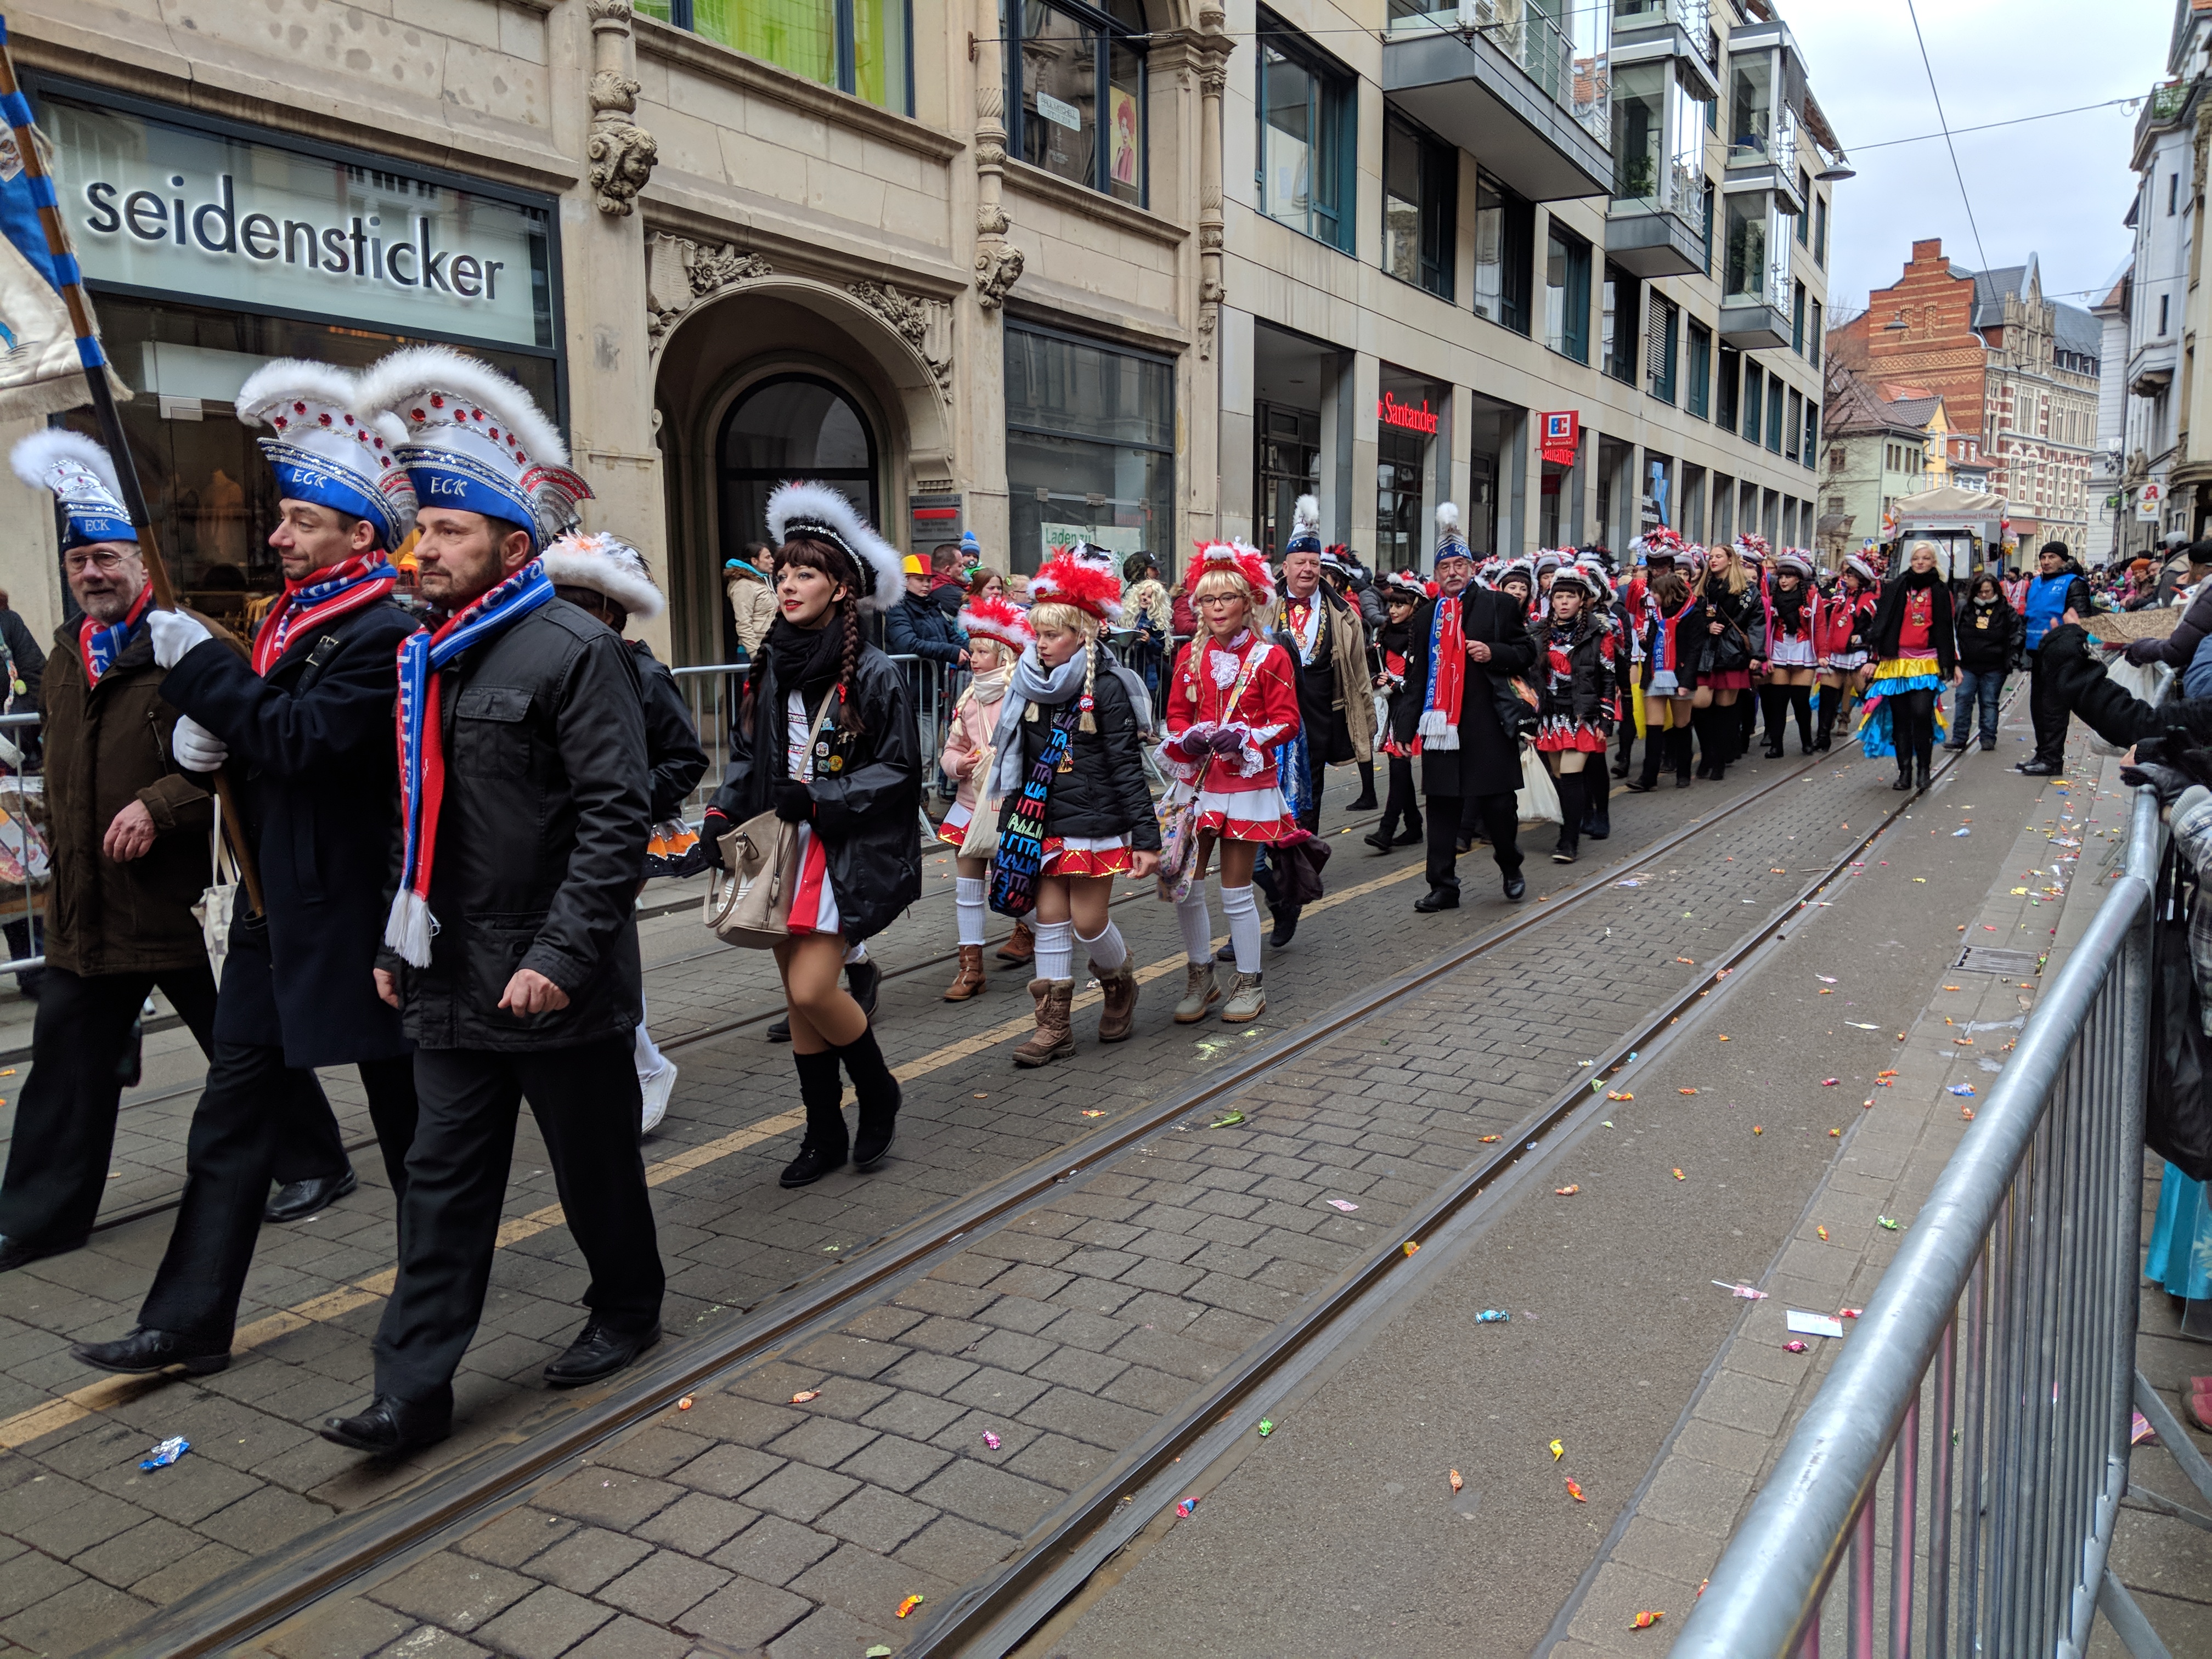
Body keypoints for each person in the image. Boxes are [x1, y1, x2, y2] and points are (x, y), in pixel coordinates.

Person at [320, 348, 664, 1455]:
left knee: (593, 1170)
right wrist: (396, 937)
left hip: (551, 980)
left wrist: (559, 957)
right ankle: (411, 1391)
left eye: (449, 532)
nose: (422, 548)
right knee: (440, 1187)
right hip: (447, 977)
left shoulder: (573, 649)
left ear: (513, 547)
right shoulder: (425, 657)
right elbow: (412, 812)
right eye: (420, 529)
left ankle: (628, 1308)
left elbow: (615, 818)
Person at [68, 359, 427, 1376]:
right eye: (280, 518)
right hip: (278, 917)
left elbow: (305, 740)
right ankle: (186, 1321)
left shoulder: (385, 631)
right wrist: (208, 730)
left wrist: (206, 675)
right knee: (229, 1117)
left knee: (410, 1123)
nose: (276, 536)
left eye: (302, 521)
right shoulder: (287, 620)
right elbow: (266, 734)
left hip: (362, 916)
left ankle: (435, 1296)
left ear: (362, 538)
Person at [0, 432, 348, 1274]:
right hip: (88, 908)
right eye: (79, 561)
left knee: (243, 1046)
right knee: (64, 1064)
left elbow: (248, 761)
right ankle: (40, 1217)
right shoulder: (64, 653)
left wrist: (160, 805)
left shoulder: (191, 644)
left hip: (183, 905)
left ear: (139, 562)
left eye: (107, 558)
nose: (92, 574)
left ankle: (315, 1161)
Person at [702, 482, 919, 1189]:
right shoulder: (772, 662)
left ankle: (879, 1089)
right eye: (784, 573)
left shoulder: (875, 672)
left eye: (805, 574)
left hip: (841, 848)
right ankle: (823, 1133)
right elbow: (748, 755)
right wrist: (720, 813)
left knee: (814, 987)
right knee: (797, 1001)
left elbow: (900, 770)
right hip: (781, 850)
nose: (788, 585)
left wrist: (821, 797)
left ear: (841, 588)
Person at [543, 529, 706, 1133]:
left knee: (602, 947)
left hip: (617, 836)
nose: (562, 616)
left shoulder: (642, 671)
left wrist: (620, 801)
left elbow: (684, 760)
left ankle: (645, 1066)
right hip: (556, 836)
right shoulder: (548, 663)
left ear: (610, 611)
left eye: (579, 604)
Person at [985, 546, 1159, 1061]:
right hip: (1042, 823)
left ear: (1081, 634)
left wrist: (1146, 839)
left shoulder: (1108, 689)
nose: (1039, 644)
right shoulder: (1026, 684)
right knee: (1051, 919)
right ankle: (1053, 1026)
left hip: (1094, 823)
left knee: (1087, 922)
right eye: (1037, 634)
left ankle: (1119, 981)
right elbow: (1019, 765)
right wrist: (1012, 825)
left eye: (1051, 635)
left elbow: (1127, 768)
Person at [1160, 539, 1302, 1020]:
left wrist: (1247, 736)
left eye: (1226, 598)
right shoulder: (1189, 656)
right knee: (1186, 887)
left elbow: (1288, 722)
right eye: (1208, 599)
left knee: (1236, 891)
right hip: (1199, 785)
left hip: (1245, 785)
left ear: (1248, 602)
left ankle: (1249, 982)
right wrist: (1190, 736)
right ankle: (1201, 977)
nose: (1217, 607)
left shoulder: (1271, 657)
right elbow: (1176, 716)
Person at [1392, 504, 1537, 908]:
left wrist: (1494, 653)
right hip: (1440, 726)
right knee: (1441, 809)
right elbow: (1417, 676)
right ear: (1436, 574)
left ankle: (1511, 866)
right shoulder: (1426, 617)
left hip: (1487, 725)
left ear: (1471, 569)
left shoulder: (1498, 605)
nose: (1453, 572)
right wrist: (1404, 727)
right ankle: (1443, 887)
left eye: (1460, 565)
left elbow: (1528, 652)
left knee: (1499, 808)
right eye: (1445, 567)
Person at [1266, 498, 1367, 944]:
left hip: (1317, 730)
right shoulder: (1262, 607)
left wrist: (1364, 732)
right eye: (1300, 562)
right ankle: (1275, 895)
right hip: (1267, 733)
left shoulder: (1344, 615)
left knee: (1303, 821)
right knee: (1259, 824)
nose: (1307, 569)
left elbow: (1359, 680)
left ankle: (1290, 903)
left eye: (1314, 563)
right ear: (1285, 567)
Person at [938, 593, 1028, 1000]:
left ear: (1004, 654)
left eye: (982, 652)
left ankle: (1037, 931)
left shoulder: (1022, 695)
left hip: (1011, 806)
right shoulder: (969, 698)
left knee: (1016, 880)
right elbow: (951, 749)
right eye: (972, 651)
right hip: (970, 804)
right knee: (968, 885)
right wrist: (959, 764)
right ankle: (970, 967)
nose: (973, 659)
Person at [1531, 560, 1615, 865]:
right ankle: (1576, 821)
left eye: (1570, 596)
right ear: (1551, 600)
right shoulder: (1536, 633)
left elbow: (1608, 677)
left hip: (1583, 714)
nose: (1564, 602)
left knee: (1571, 775)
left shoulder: (1599, 633)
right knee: (1558, 775)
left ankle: (1569, 841)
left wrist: (1606, 718)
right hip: (1550, 715)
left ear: (1583, 600)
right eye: (1559, 596)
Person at [1860, 541, 1958, 792]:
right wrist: (1873, 660)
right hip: (1896, 663)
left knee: (1922, 714)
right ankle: (1905, 772)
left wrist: (1955, 663)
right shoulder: (1896, 587)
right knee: (1901, 720)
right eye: (1916, 559)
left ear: (1933, 562)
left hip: (1926, 662)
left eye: (1925, 558)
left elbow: (1949, 630)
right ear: (1911, 562)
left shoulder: (1941, 590)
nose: (1920, 562)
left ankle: (1924, 769)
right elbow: (1881, 625)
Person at [1626, 563, 1706, 792]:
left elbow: (1695, 651)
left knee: (1682, 726)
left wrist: (1687, 682)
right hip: (1656, 674)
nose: (1652, 596)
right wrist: (1644, 641)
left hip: (1680, 676)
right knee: (1654, 727)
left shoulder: (1693, 614)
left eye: (1656, 592)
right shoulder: (1657, 613)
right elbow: (1653, 645)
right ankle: (1648, 777)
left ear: (1667, 592)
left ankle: (1683, 772)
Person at [1364, 569, 1426, 854]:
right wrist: (1377, 678)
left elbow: (1422, 676)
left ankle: (1387, 829)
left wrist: (1400, 684)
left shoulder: (1422, 636)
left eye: (1401, 605)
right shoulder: (1384, 632)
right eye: (1392, 604)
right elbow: (1373, 665)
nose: (1393, 610)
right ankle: (1413, 825)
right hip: (1389, 707)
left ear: (1414, 607)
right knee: (1397, 768)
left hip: (1411, 708)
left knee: (1400, 766)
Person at [2019, 541, 2092, 776]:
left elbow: (2081, 620)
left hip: (2059, 654)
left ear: (2063, 559)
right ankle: (2042, 753)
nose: (2046, 562)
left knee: (2053, 709)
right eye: (2043, 557)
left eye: (2052, 557)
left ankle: (2052, 760)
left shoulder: (2073, 583)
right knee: (2038, 707)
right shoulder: (2036, 583)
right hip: (2037, 652)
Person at [1691, 545, 1760, 780]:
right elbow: (1693, 617)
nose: (1713, 560)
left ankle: (1719, 760)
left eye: (1718, 556)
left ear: (1730, 560)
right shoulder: (1702, 588)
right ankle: (1708, 754)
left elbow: (1757, 623)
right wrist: (1707, 626)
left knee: (1725, 711)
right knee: (1700, 706)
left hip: (1732, 653)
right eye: (1711, 557)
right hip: (1706, 653)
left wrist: (1757, 655)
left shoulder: (1748, 590)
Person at [1946, 573, 2017, 753]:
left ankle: (1988, 737)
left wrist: (2012, 657)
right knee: (1963, 697)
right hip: (1968, 665)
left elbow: (2015, 633)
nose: (1984, 595)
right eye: (1980, 592)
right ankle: (1959, 738)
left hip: (1995, 666)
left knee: (1989, 701)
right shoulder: (1965, 608)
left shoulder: (2005, 610)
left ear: (1995, 591)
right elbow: (1954, 633)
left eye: (1988, 591)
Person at [1814, 554, 1878, 752]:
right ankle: (1823, 738)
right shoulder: (1841, 597)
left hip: (1858, 654)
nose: (1846, 577)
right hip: (1837, 652)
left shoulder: (1870, 600)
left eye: (1850, 574)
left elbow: (1879, 626)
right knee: (1827, 695)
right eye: (1845, 574)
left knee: (1868, 695)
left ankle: (1887, 732)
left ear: (1860, 578)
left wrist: (1862, 637)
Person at [1759, 553, 1821, 756]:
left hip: (1803, 650)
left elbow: (1820, 627)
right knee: (1778, 702)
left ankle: (1807, 741)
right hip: (1779, 650)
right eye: (1781, 577)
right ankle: (1777, 746)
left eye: (1789, 577)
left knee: (1800, 701)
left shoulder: (1812, 599)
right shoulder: (1772, 600)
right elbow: (1766, 628)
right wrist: (1766, 656)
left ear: (1798, 579)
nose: (1784, 581)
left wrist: (1823, 653)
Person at [886, 552, 969, 670]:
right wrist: (950, 652)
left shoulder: (931, 606)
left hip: (935, 678)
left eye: (929, 580)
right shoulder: (897, 610)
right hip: (911, 678)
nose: (926, 584)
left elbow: (952, 636)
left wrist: (974, 649)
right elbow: (908, 644)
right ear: (905, 581)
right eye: (920, 580)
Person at [1122, 549, 1173, 726]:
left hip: (1147, 663)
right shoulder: (1131, 599)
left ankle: (1155, 723)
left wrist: (1150, 640)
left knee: (1162, 680)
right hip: (1132, 662)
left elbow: (1161, 641)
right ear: (1143, 571)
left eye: (1150, 596)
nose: (1158, 572)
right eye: (1153, 569)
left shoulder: (1156, 607)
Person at [724, 542, 776, 659]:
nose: (772, 561)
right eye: (767, 557)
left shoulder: (763, 582)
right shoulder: (744, 586)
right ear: (754, 561)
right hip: (753, 652)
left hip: (769, 648)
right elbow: (744, 624)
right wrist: (755, 655)